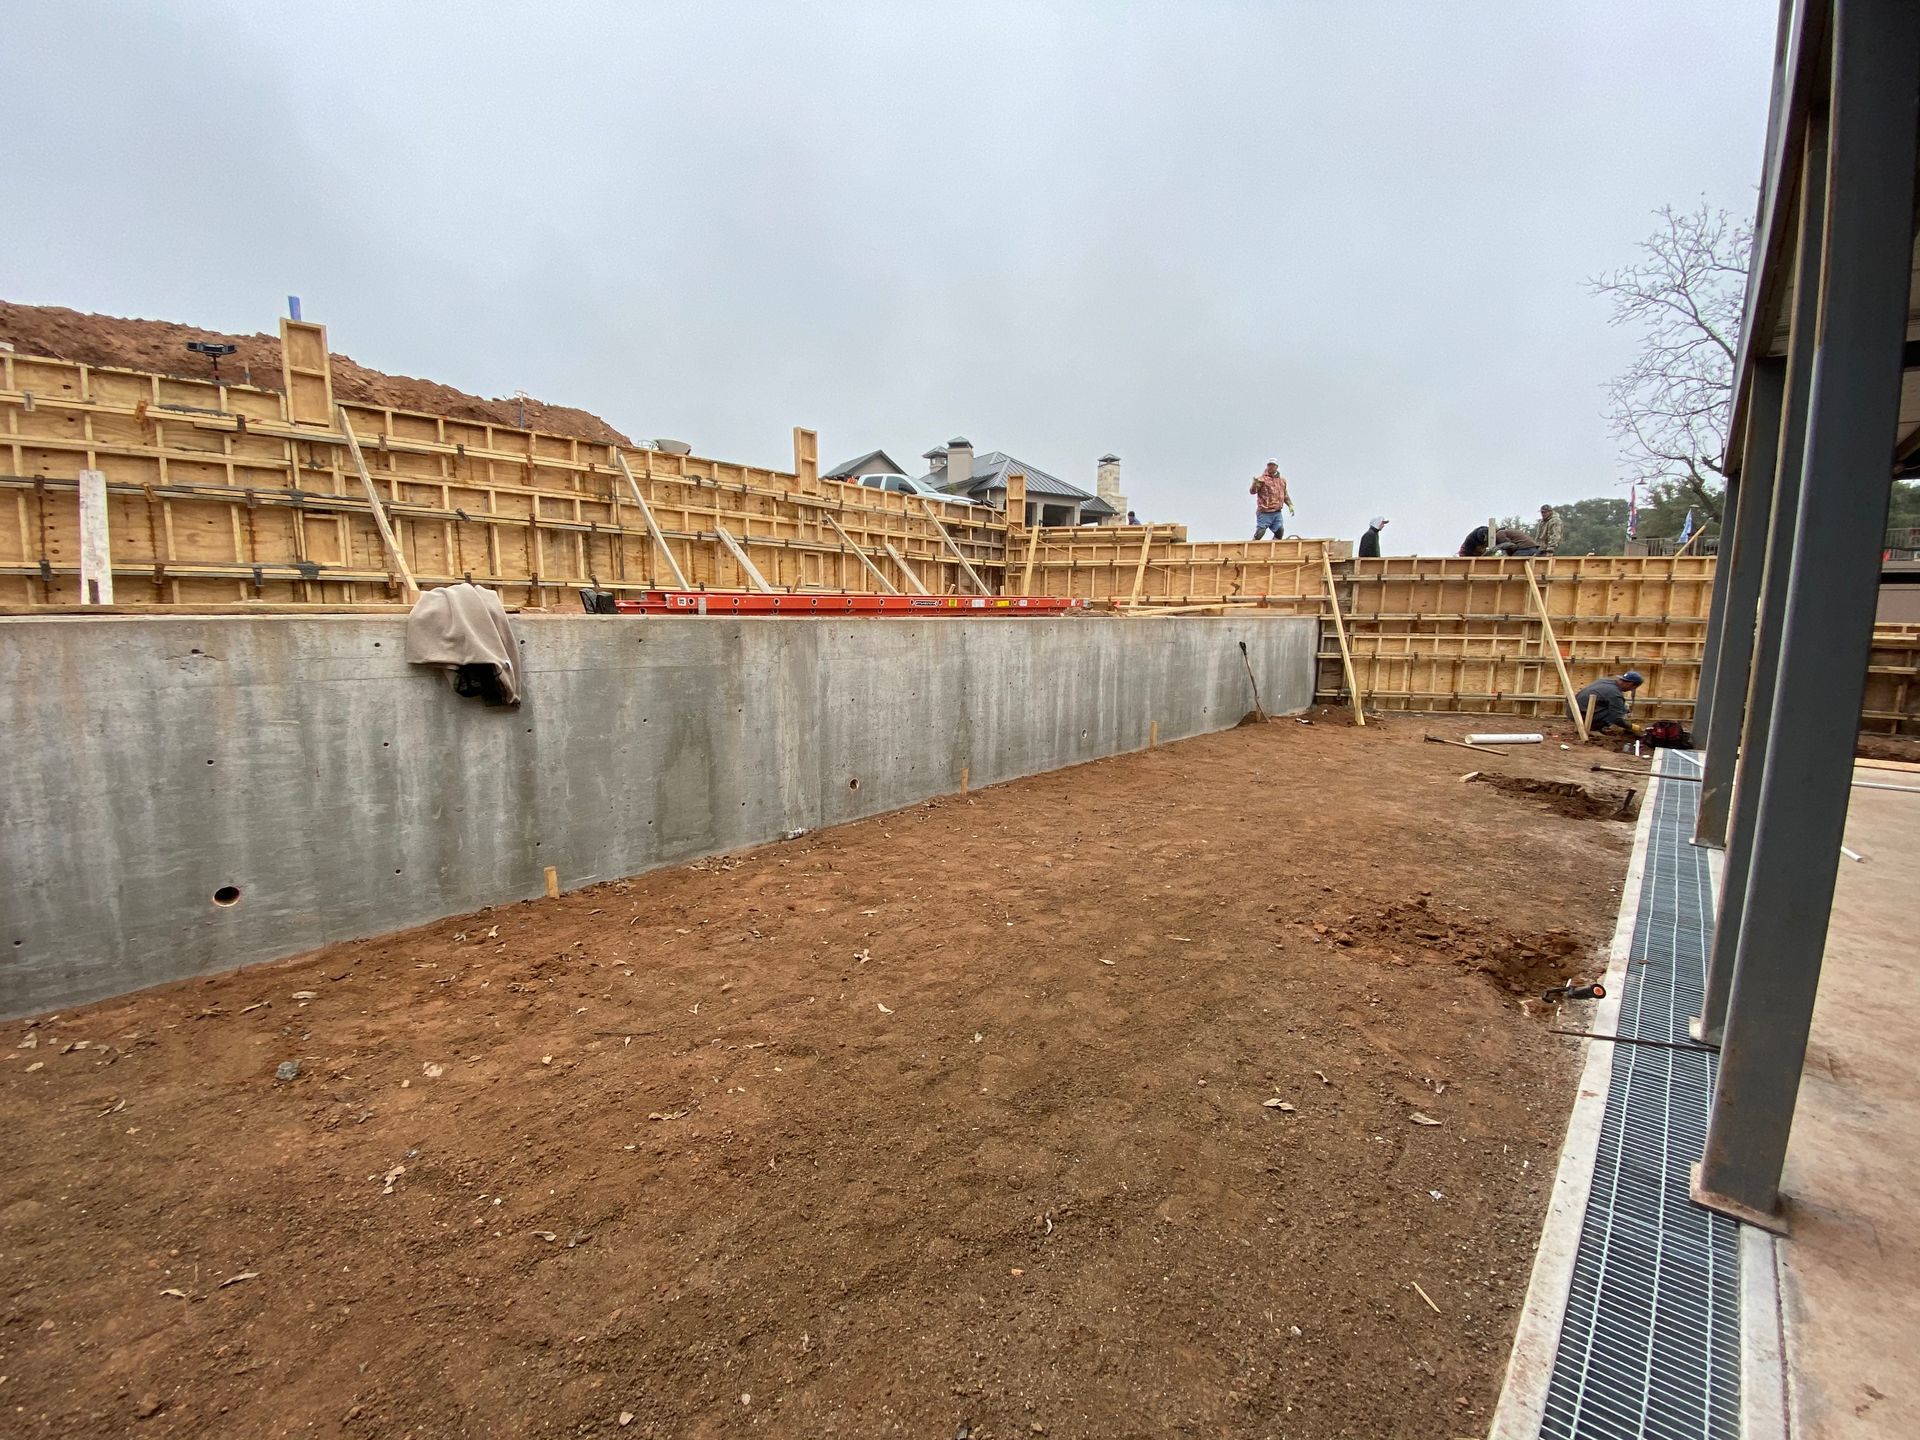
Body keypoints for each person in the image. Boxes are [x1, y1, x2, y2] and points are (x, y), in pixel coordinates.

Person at [1571, 670, 1644, 735]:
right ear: (1630, 684)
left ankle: (1591, 725)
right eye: (1633, 688)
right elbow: (1616, 718)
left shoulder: (1604, 681)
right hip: (1582, 715)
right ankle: (1592, 728)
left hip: (1573, 711)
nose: (1631, 690)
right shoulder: (1615, 694)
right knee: (1620, 710)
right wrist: (1631, 727)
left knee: (1621, 707)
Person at [1249, 461, 1294, 540]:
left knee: (1279, 531)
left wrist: (1290, 505)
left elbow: (1284, 494)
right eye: (1269, 465)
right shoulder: (1261, 479)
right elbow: (1252, 492)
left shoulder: (1281, 480)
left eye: (1273, 465)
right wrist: (1254, 485)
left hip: (1277, 512)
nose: (1271, 467)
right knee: (1260, 531)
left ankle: (1274, 548)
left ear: (1277, 467)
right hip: (1264, 511)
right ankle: (1253, 546)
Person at [1459, 524, 1543, 557]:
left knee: (1512, 565)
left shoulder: (1499, 534)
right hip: (1532, 548)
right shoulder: (1504, 532)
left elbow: (1510, 545)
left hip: (1524, 548)